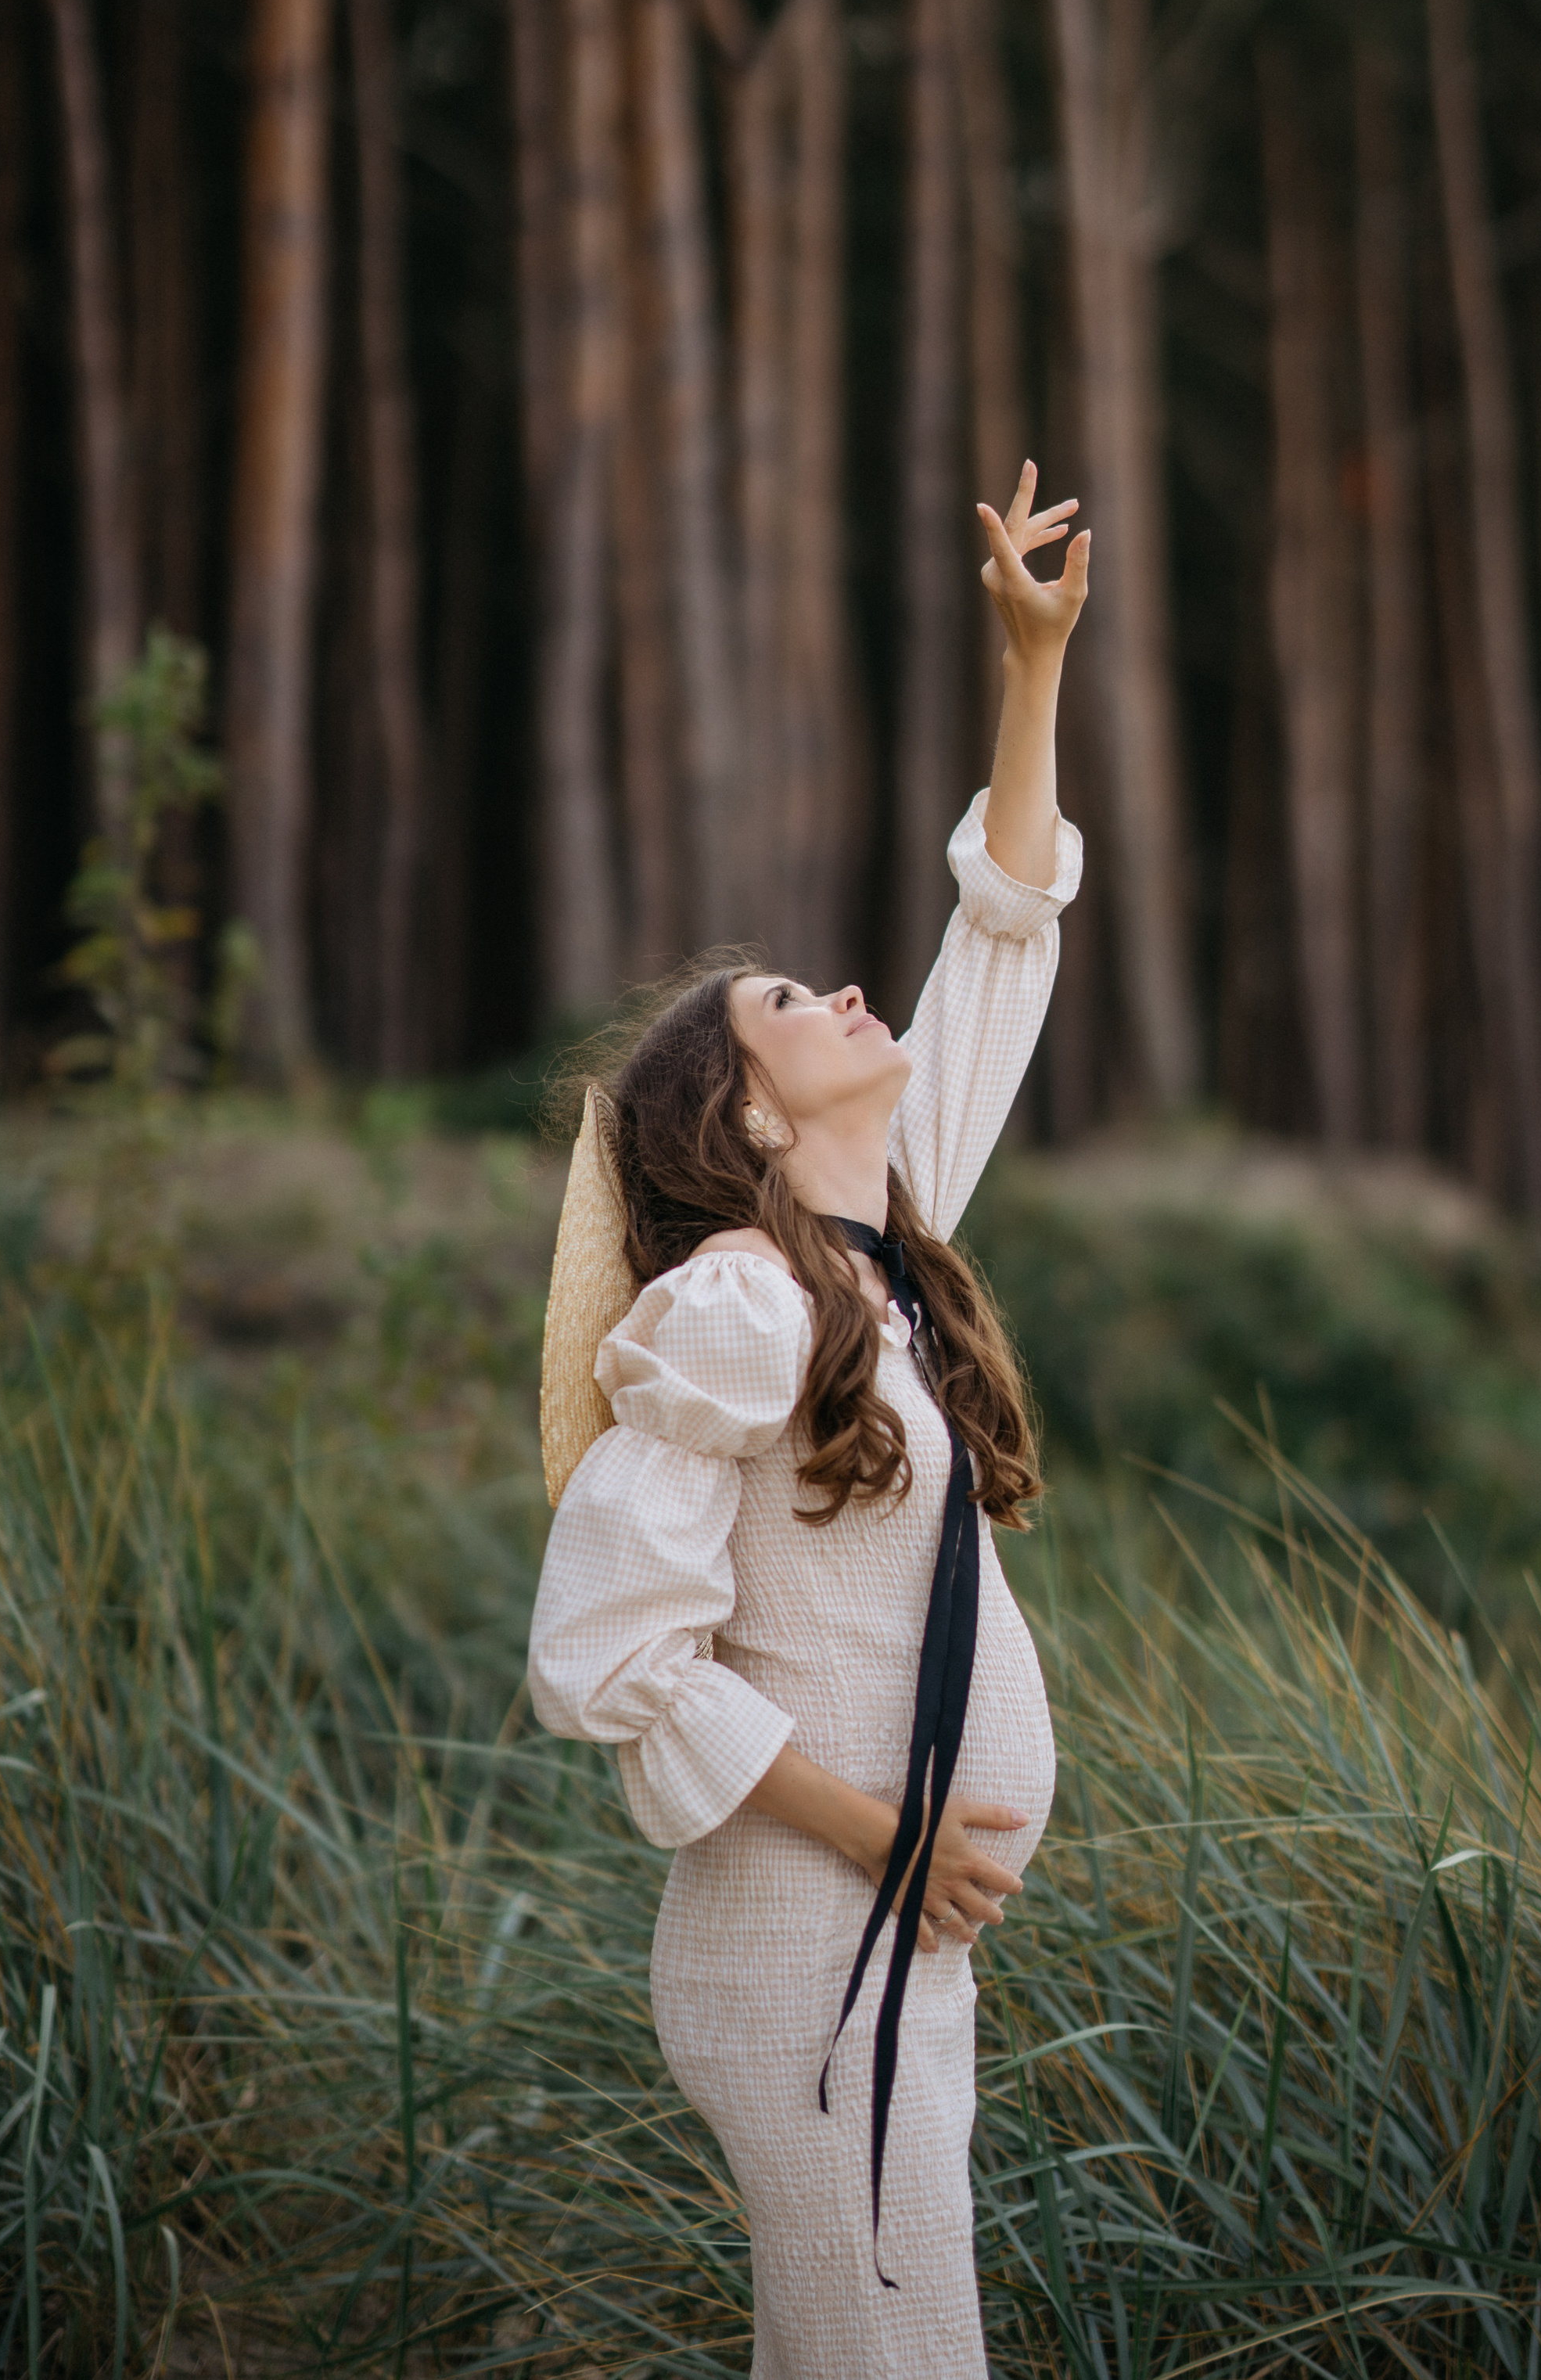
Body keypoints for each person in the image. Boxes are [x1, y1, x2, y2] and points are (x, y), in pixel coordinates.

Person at [527, 466, 1090, 2380]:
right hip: (812, 1936)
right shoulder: (744, 1303)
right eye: (791, 998)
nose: (851, 986)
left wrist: (1031, 664)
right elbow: (606, 1651)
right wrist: (887, 1838)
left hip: (890, 1936)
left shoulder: (877, 1253)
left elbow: (994, 941)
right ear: (753, 1116)